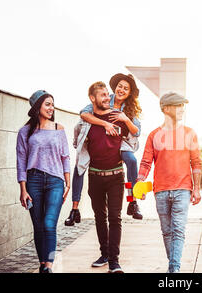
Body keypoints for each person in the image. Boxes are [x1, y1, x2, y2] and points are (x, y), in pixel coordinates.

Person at [65, 73, 142, 226]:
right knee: (79, 165)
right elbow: (84, 113)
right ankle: (74, 209)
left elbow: (137, 132)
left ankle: (132, 201)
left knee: (132, 161)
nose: (122, 90)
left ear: (129, 93)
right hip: (99, 140)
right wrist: (105, 124)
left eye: (126, 88)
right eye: (120, 86)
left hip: (119, 143)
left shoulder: (130, 109)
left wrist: (125, 119)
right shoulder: (105, 98)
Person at [137, 92, 202, 273]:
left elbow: (196, 162)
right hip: (161, 190)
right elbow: (145, 162)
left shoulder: (190, 133)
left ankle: (174, 269)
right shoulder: (153, 135)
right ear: (166, 108)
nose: (182, 109)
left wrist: (196, 189)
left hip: (183, 189)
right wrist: (139, 184)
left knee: (178, 231)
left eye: (183, 106)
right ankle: (173, 265)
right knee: (167, 232)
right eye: (178, 105)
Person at [74, 81, 130, 273]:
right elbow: (77, 142)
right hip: (95, 176)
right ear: (93, 98)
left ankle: (114, 262)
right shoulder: (86, 121)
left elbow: (132, 138)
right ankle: (104, 254)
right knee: (100, 217)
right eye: (103, 95)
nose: (108, 98)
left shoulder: (118, 117)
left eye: (108, 94)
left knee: (115, 218)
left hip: (116, 176)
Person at [16, 90, 71, 273]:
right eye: (47, 104)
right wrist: (23, 189)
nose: (51, 108)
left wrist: (68, 182)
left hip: (55, 182)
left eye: (52, 104)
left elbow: (65, 157)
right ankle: (43, 266)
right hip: (33, 182)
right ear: (36, 106)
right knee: (38, 226)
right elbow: (21, 161)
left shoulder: (58, 129)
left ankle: (49, 264)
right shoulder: (24, 132)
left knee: (49, 224)